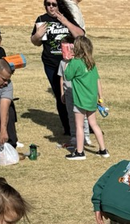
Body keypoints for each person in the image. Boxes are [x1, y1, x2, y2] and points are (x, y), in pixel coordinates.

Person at [30, 0, 85, 137]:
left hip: (70, 63)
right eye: (48, 4)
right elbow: (36, 42)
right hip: (51, 64)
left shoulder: (68, 16)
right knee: (60, 95)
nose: (51, 7)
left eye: (54, 4)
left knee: (76, 94)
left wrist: (65, 21)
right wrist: (37, 35)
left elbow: (80, 35)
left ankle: (84, 126)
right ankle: (67, 127)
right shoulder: (42, 19)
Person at [63, 35, 108, 160]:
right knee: (94, 124)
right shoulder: (91, 63)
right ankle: (103, 150)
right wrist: (101, 98)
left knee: (79, 126)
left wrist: (68, 61)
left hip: (80, 101)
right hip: (92, 100)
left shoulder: (75, 62)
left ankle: (80, 152)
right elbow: (98, 80)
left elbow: (67, 76)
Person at [58, 37, 91, 151]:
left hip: (79, 92)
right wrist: (62, 92)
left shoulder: (78, 62)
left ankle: (85, 135)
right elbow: (62, 78)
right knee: (71, 116)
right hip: (68, 93)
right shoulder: (62, 63)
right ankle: (74, 136)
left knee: (83, 116)